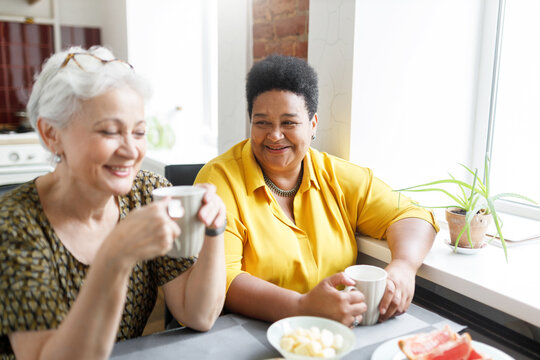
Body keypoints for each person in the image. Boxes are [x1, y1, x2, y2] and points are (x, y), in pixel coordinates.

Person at [0, 46, 226, 360]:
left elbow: (197, 314)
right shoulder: (13, 224)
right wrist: (116, 256)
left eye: (139, 131)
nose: (132, 150)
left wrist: (215, 232)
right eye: (109, 131)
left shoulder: (147, 193)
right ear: (51, 134)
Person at [195, 55, 438, 327]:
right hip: (248, 334)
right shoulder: (219, 178)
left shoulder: (334, 175)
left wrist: (404, 267)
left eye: (289, 123)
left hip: (330, 335)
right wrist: (302, 307)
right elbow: (223, 277)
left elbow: (412, 214)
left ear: (313, 124)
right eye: (261, 122)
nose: (275, 135)